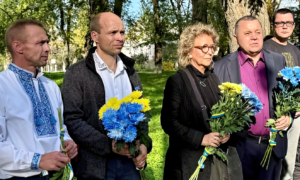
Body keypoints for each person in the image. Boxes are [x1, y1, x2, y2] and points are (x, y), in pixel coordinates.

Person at [61, 12, 152, 180]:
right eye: (113, 32)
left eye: (122, 32)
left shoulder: (131, 72)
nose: (120, 38)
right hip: (95, 165)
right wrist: (109, 146)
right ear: (95, 36)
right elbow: (72, 119)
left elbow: (141, 113)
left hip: (129, 163)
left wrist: (144, 144)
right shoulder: (76, 73)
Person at [160, 23, 242, 180]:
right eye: (204, 47)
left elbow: (221, 113)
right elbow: (169, 122)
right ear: (188, 51)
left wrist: (226, 133)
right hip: (188, 161)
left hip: (214, 162)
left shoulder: (213, 78)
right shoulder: (177, 81)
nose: (210, 52)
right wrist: (201, 138)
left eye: (212, 47)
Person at [214, 15, 291, 180]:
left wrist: (288, 117)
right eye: (247, 33)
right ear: (236, 38)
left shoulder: (278, 61)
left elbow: (287, 98)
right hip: (239, 147)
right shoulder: (220, 67)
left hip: (273, 146)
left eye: (258, 31)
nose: (254, 37)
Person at [0, 20, 77, 180]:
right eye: (41, 43)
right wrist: (37, 160)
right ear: (18, 47)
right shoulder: (2, 85)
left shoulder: (51, 86)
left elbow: (59, 127)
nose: (48, 48)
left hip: (58, 174)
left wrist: (68, 141)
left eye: (47, 42)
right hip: (19, 177)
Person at [263, 9, 300, 180]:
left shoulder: (296, 50)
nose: (285, 26)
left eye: (289, 23)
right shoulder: (265, 47)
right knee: (271, 158)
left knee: (289, 161)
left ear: (293, 25)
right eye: (280, 22)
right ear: (273, 25)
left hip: (296, 115)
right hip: (274, 114)